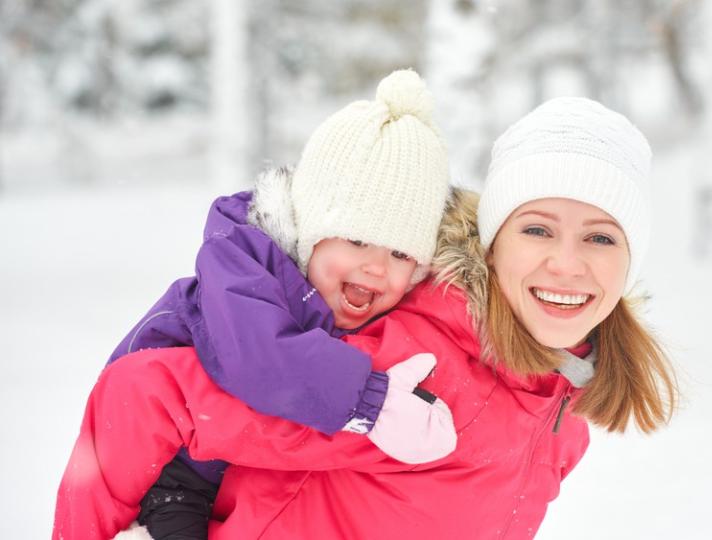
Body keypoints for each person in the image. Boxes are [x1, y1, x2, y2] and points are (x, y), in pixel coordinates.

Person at [54, 97, 677, 539]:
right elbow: (144, 393)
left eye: (601, 238)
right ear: (491, 244)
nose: (567, 264)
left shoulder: (562, 406)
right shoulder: (415, 372)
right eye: (537, 228)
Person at [58, 69, 456, 539]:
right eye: (357, 240)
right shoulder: (244, 265)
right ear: (310, 232)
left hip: (231, 473)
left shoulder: (361, 299)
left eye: (400, 253)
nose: (376, 267)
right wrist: (370, 400)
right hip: (171, 474)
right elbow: (263, 359)